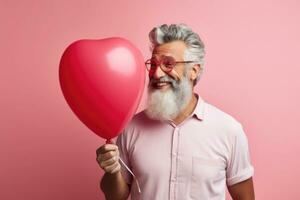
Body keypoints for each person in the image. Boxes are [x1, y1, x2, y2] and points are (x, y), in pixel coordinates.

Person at [96, 24, 255, 200]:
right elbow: (115, 197)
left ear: (194, 71)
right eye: (153, 64)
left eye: (168, 64)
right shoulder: (131, 128)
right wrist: (111, 171)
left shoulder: (229, 130)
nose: (156, 74)